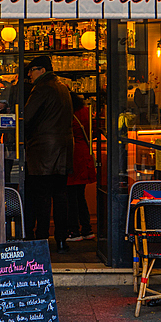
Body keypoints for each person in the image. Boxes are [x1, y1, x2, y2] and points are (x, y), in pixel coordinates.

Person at [23, 55, 74, 253]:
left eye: (32, 70)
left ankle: (41, 238)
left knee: (41, 197)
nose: (29, 74)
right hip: (63, 149)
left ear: (42, 70)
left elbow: (26, 118)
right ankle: (61, 240)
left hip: (43, 151)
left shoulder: (42, 88)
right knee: (60, 196)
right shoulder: (62, 87)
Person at [66, 94, 95, 242]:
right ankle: (87, 229)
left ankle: (74, 231)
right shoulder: (86, 111)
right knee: (80, 195)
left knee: (71, 196)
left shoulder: (67, 113)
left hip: (73, 155)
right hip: (85, 153)